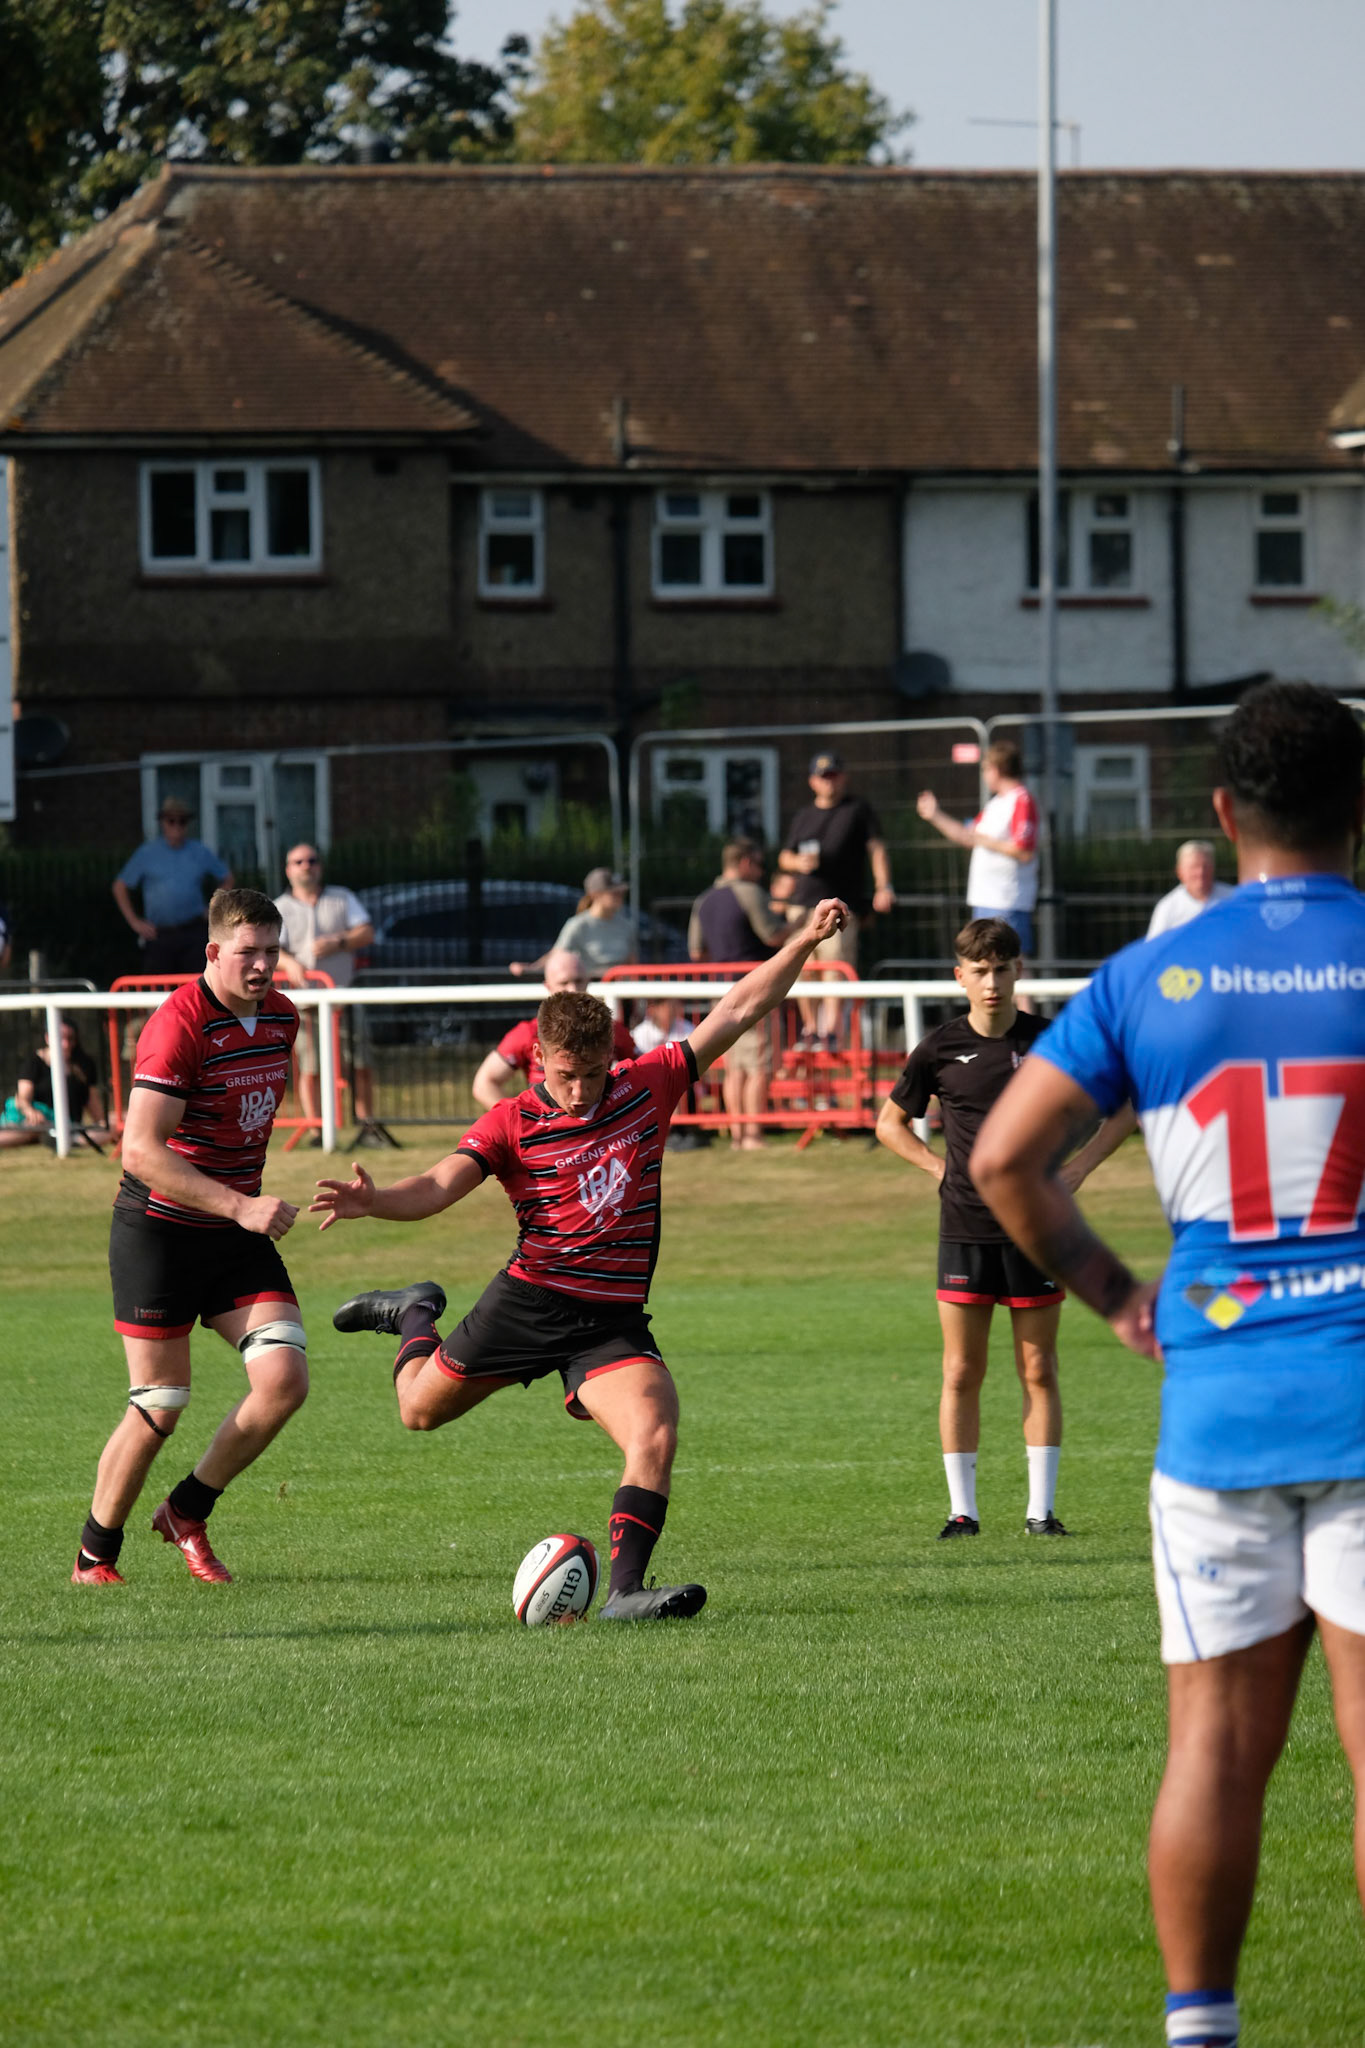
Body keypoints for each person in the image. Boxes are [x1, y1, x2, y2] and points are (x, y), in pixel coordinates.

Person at [969, 682, 1365, 2048]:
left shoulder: (1154, 975)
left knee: (1213, 1747)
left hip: (1220, 1407)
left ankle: (1201, 2029)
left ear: (1221, 813)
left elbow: (1002, 1159)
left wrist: (1117, 1295)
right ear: (1361, 806)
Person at [314, 896, 851, 1621]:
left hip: (610, 1321)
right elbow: (440, 1185)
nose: (580, 1090)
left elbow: (738, 1008)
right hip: (529, 1302)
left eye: (593, 1074)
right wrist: (375, 1200)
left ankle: (626, 1593)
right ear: (539, 1059)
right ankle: (414, 1312)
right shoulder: (511, 1122)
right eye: (566, 1075)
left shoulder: (646, 1086)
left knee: (654, 1430)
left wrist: (803, 942)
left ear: (611, 1058)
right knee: (417, 1412)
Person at [71, 888, 305, 1588]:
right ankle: (93, 1558)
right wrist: (239, 1205)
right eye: (248, 952)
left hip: (232, 1234)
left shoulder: (282, 1018)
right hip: (162, 1234)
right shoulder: (178, 1025)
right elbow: (140, 1150)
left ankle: (185, 1512)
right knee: (161, 1402)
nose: (262, 966)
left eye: (271, 952)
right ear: (213, 951)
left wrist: (238, 1209)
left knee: (283, 1381)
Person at [874, 917, 1068, 1539]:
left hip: (1035, 1228)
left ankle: (1041, 1513)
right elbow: (889, 1125)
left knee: (1039, 1369)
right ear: (960, 976)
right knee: (961, 1371)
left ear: (1019, 972)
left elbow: (1115, 1107)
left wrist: (1076, 1169)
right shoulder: (938, 1048)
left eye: (1001, 970)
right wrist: (938, 1167)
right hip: (964, 1228)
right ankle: (964, 1512)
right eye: (979, 972)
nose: (991, 983)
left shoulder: (1053, 1041)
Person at [778, 753, 893, 1048]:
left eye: (833, 775)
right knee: (802, 967)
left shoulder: (858, 810)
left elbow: (877, 849)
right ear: (812, 781)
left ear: (844, 777)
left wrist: (883, 886)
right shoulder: (803, 816)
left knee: (834, 966)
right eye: (823, 777)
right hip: (802, 905)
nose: (829, 782)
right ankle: (810, 1031)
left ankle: (830, 1032)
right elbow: (784, 857)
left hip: (839, 904)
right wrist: (798, 863)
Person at [689, 837, 790, 1150]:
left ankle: (737, 1135)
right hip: (754, 988)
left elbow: (696, 952)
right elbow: (773, 935)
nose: (760, 872)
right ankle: (753, 1135)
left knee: (734, 1068)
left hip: (720, 990)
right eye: (759, 864)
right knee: (759, 1065)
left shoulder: (703, 900)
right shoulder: (749, 892)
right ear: (745, 862)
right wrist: (802, 923)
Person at [274, 844, 376, 1130]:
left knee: (361, 1064)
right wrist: (289, 963)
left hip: (345, 996)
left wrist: (339, 942)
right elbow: (269, 949)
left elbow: (367, 932)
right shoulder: (279, 908)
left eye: (312, 860)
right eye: (298, 862)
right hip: (306, 1002)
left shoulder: (342, 897)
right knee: (311, 1069)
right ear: (288, 870)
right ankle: (317, 1128)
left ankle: (367, 1125)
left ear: (320, 866)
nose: (306, 866)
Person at [917, 738, 1039, 961]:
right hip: (986, 899)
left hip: (1006, 901)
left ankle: (1025, 988)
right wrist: (935, 815)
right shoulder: (996, 804)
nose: (983, 775)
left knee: (1012, 963)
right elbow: (968, 837)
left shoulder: (1021, 800)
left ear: (997, 769)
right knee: (987, 961)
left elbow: (1024, 851)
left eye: (985, 769)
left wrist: (985, 841)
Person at [471, 949, 635, 1111]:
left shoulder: (610, 1029)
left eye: (578, 980)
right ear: (548, 986)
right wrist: (522, 1118)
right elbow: (484, 1084)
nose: (573, 989)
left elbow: (638, 1075)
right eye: (564, 983)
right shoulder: (529, 1033)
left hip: (598, 1123)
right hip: (547, 1124)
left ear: (588, 981)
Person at [112, 800, 233, 973]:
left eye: (181, 821)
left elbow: (227, 878)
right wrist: (135, 922)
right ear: (163, 822)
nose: (176, 826)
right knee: (158, 986)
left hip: (193, 932)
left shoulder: (199, 851)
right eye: (171, 821)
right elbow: (119, 886)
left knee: (195, 984)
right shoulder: (147, 853)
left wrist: (213, 907)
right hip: (159, 935)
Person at [510, 869, 636, 980]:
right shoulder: (578, 925)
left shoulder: (626, 925)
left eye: (621, 893)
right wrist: (532, 968)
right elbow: (557, 954)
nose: (620, 897)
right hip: (592, 990)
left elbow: (633, 964)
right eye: (614, 893)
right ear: (595, 894)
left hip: (621, 991)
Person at [0, 1021, 104, 1148]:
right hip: (34, 1122)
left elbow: (95, 1109)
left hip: (70, 1126)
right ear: (48, 1038)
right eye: (60, 1038)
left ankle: (70, 1141)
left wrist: (102, 1123)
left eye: (70, 1039)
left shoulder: (85, 1065)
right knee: (31, 1126)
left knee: (114, 1121)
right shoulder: (34, 1062)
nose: (65, 1044)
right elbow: (22, 1098)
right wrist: (30, 1112)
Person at [1147, 839, 1235, 938]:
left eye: (1206, 866)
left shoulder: (1233, 898)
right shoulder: (1167, 907)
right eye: (1194, 867)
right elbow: (1154, 943)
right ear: (1180, 872)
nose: (1201, 872)